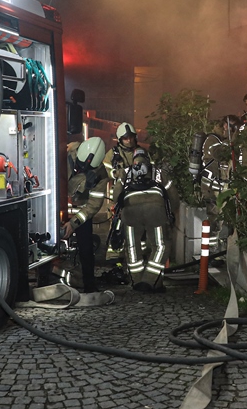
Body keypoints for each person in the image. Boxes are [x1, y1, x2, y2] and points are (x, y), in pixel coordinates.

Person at [117, 148, 173, 292]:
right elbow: (173, 196)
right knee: (160, 246)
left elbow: (116, 194)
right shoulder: (159, 173)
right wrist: (170, 213)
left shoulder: (125, 172)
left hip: (130, 212)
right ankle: (150, 280)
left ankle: (138, 282)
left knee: (132, 247)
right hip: (155, 210)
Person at [62, 137, 108, 293]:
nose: (80, 169)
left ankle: (89, 284)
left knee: (86, 248)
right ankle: (45, 281)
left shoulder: (100, 175)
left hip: (80, 213)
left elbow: (93, 205)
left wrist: (73, 223)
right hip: (56, 207)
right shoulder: (67, 152)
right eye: (79, 166)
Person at [103, 122, 141, 203]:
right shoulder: (112, 154)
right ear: (120, 139)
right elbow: (104, 171)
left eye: (131, 137)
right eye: (125, 138)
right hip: (119, 194)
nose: (129, 140)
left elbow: (152, 168)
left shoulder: (141, 152)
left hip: (139, 192)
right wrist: (115, 173)